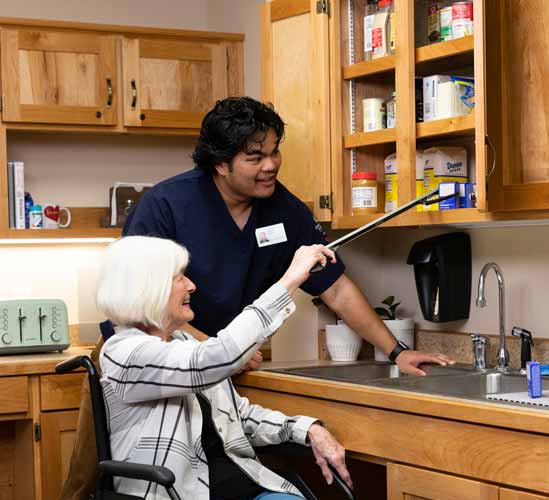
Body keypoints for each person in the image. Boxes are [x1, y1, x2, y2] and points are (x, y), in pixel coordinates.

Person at [96, 235, 379, 500]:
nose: (191, 285)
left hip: (246, 489)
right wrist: (290, 280)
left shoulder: (182, 343)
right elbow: (218, 357)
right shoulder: (125, 355)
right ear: (146, 288)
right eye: (179, 277)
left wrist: (306, 430)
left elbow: (239, 416)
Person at [123, 96, 453, 375]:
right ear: (220, 165)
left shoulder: (285, 210)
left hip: (226, 365)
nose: (271, 165)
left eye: (274, 152)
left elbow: (334, 288)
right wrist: (219, 353)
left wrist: (397, 352)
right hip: (154, 367)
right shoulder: (165, 207)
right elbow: (143, 308)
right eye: (255, 158)